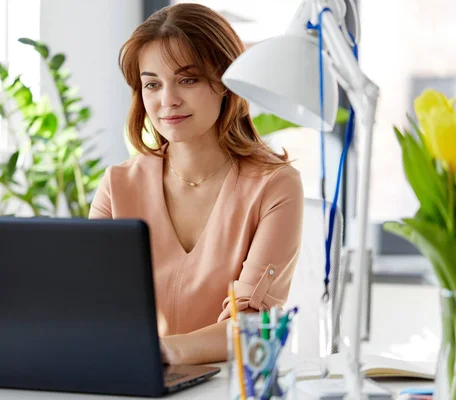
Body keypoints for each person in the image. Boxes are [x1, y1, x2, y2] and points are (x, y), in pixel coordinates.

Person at [89, 3, 304, 365]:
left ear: (224, 82)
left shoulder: (275, 186)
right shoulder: (118, 185)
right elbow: (89, 303)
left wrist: (162, 352)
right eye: (152, 84)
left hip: (225, 386)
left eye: (188, 79)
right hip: (128, 380)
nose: (167, 100)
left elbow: (253, 324)